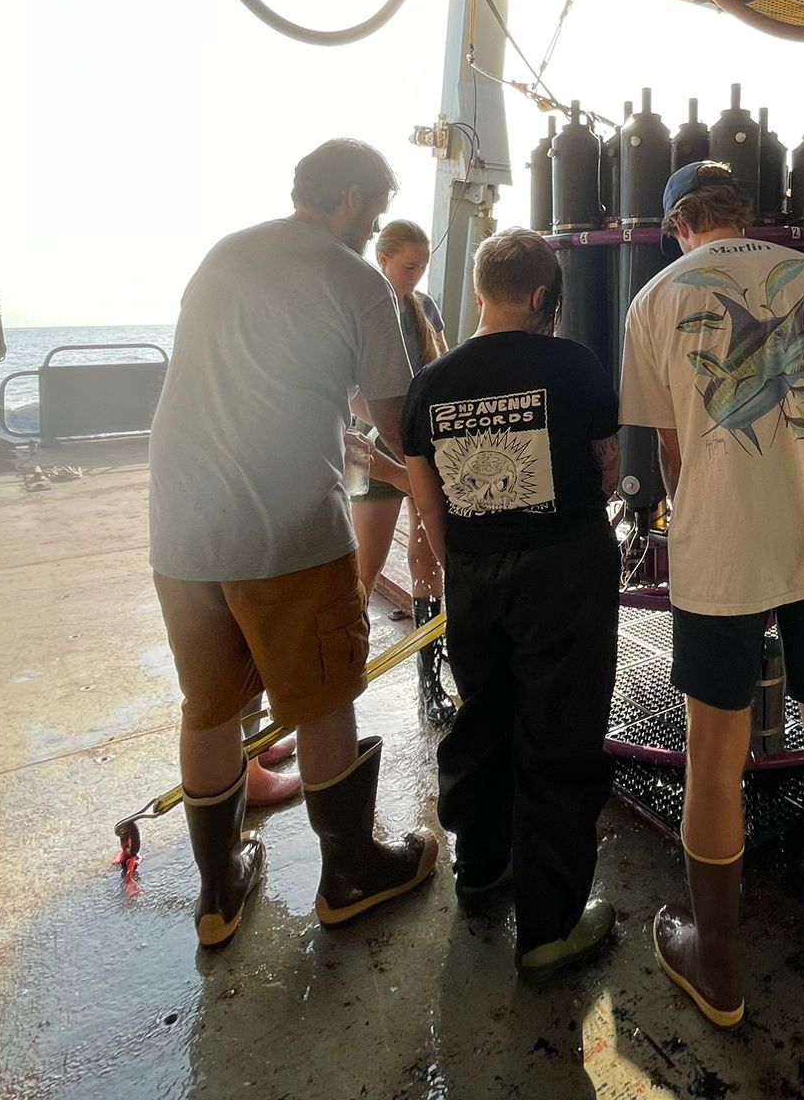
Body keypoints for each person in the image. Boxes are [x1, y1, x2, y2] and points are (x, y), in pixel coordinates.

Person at [147, 138, 436, 949]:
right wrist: (444, 503)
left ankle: (218, 892)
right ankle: (348, 874)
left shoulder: (224, 255)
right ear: (348, 197)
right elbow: (398, 420)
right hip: (284, 528)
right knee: (323, 694)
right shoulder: (356, 280)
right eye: (374, 207)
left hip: (179, 524)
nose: (375, 221)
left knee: (208, 704)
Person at [620, 160, 804, 1026]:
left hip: (722, 554)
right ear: (745, 214)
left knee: (715, 757)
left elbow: (671, 456)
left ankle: (719, 969)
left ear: (679, 222)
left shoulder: (654, 299)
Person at [401, 229, 623, 983]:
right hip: (564, 571)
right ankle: (550, 929)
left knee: (485, 716)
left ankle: (482, 868)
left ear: (477, 292)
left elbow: (424, 491)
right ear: (540, 297)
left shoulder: (433, 381)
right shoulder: (573, 364)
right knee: (558, 738)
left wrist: (466, 558)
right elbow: (607, 464)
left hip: (474, 574)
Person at [352, 218, 455, 726]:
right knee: (364, 569)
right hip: (380, 451)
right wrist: (401, 433)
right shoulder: (362, 310)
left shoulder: (424, 309)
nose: (415, 276)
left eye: (422, 267)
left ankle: (430, 683)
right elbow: (354, 395)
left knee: (427, 560)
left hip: (423, 448)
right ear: (383, 260)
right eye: (408, 266)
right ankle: (340, 680)